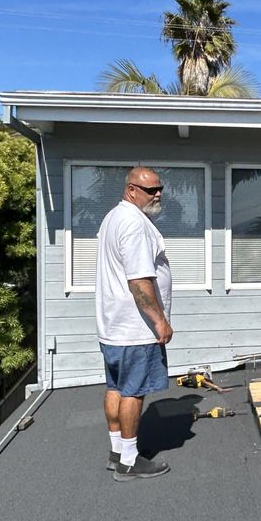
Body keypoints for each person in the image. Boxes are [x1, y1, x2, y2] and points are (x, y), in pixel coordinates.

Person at [96, 167, 174, 482]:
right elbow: (139, 282)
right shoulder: (134, 224)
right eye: (149, 189)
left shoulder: (113, 218)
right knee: (134, 391)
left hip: (113, 327)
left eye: (159, 189)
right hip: (135, 328)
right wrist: (159, 322)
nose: (157, 194)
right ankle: (128, 461)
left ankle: (116, 452)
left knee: (115, 386)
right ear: (131, 190)